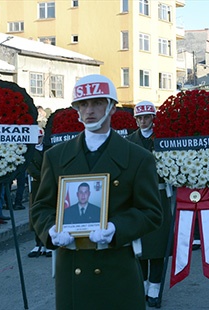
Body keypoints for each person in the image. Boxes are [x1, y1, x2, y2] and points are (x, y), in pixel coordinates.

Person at [31, 74, 162, 310]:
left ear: (112, 107)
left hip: (116, 265)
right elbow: (41, 207)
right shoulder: (56, 156)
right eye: (83, 104)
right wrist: (50, 229)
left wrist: (116, 228)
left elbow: (151, 212)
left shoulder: (138, 157)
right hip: (72, 266)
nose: (89, 110)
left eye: (98, 103)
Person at [126, 101, 173, 308]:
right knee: (140, 244)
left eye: (146, 117)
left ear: (153, 117)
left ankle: (155, 287)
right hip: (137, 198)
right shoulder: (129, 141)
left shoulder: (163, 139)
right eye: (139, 118)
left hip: (159, 195)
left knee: (158, 244)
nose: (142, 121)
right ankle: (143, 284)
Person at [27, 128, 51, 257]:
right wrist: (45, 177)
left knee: (49, 212)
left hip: (49, 185)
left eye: (40, 137)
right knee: (36, 213)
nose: (38, 140)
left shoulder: (49, 149)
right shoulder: (29, 152)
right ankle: (38, 243)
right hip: (37, 186)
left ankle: (48, 242)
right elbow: (31, 169)